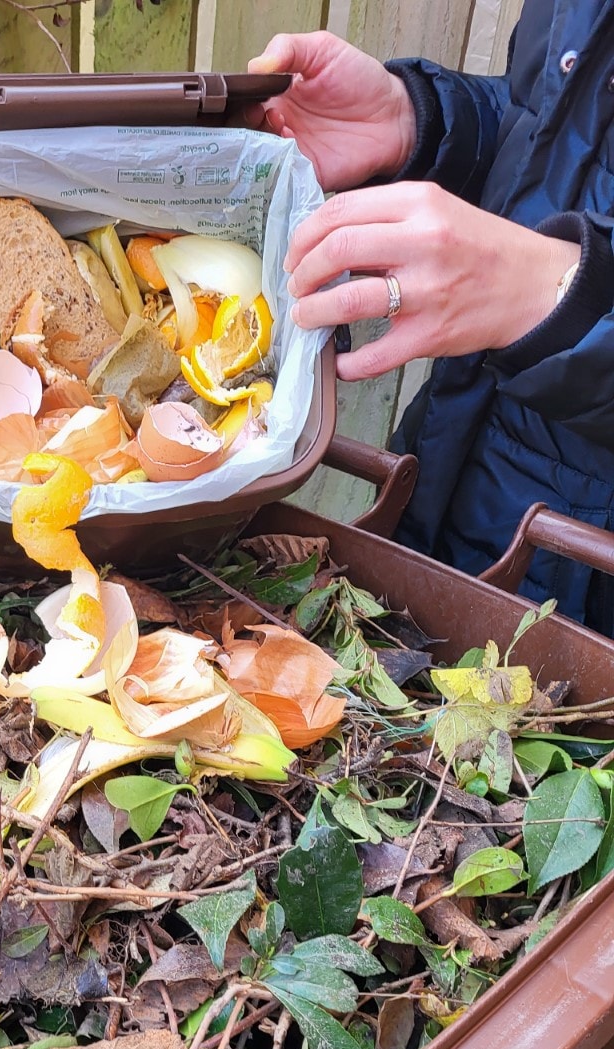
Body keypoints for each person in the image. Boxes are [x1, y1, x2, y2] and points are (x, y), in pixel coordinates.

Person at [243, 12, 614, 629]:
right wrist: (417, 121)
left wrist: (559, 297)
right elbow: (551, 129)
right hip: (453, 485)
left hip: (585, 603)